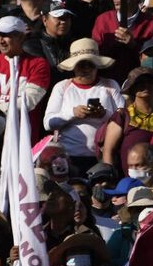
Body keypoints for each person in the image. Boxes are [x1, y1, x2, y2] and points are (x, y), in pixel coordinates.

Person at [45, 38, 124, 169]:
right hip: (69, 156)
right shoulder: (62, 87)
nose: (86, 69)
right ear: (74, 66)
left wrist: (104, 114)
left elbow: (123, 118)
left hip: (104, 157)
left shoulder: (111, 85)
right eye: (81, 64)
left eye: (91, 64)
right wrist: (72, 113)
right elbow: (48, 123)